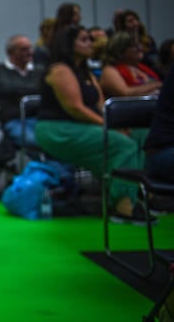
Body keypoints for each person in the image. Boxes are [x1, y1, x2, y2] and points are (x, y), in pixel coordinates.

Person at [34, 25, 149, 222]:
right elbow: (75, 108)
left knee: (142, 135)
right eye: (84, 39)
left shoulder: (85, 72)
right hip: (58, 129)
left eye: (90, 39)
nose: (90, 43)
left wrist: (119, 123)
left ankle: (141, 194)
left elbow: (100, 104)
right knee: (123, 145)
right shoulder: (60, 69)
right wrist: (109, 126)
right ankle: (122, 204)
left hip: (85, 125)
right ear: (69, 44)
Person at [0, 34, 41, 148]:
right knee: (33, 141)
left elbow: (45, 91)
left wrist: (21, 93)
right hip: (14, 121)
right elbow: (7, 88)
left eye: (30, 48)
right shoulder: (0, 70)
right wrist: (34, 91)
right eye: (24, 49)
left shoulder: (39, 70)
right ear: (11, 52)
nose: (30, 52)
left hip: (39, 120)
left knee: (58, 141)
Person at [99, 31, 162, 97]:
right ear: (120, 50)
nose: (140, 48)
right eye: (135, 46)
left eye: (139, 44)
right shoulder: (110, 70)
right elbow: (125, 93)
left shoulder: (142, 67)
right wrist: (157, 85)